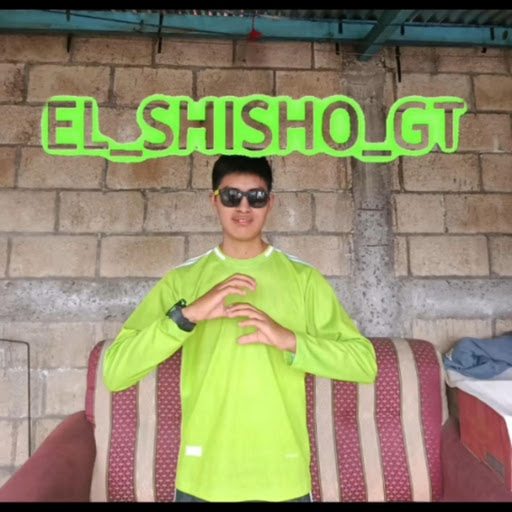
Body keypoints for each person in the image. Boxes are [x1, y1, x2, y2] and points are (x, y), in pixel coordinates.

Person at [102, 154, 378, 503]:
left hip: (283, 478)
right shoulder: (183, 280)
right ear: (214, 200)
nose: (244, 207)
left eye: (256, 197)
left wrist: (290, 340)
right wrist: (187, 316)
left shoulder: (304, 279)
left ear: (270, 203)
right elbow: (116, 371)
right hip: (203, 478)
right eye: (232, 196)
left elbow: (363, 364)